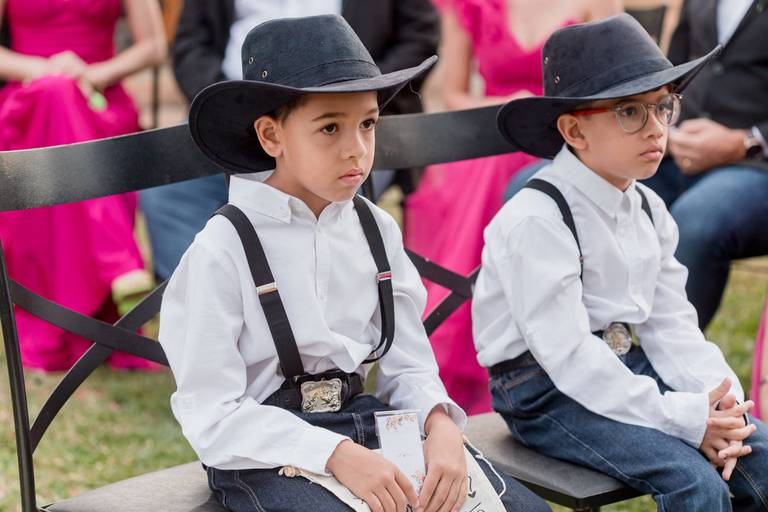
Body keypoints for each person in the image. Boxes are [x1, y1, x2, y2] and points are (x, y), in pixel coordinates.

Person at [158, 15, 550, 512]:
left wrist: (439, 424)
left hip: (366, 425)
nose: (357, 150)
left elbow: (408, 363)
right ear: (271, 136)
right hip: (264, 451)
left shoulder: (375, 228)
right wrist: (335, 454)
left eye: (367, 123)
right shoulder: (223, 249)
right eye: (330, 128)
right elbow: (212, 414)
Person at [473, 14, 768, 510]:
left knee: (757, 453)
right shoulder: (536, 220)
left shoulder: (649, 207)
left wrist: (720, 402)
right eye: (630, 112)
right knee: (693, 481)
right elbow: (570, 360)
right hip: (542, 389)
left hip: (623, 365)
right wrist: (684, 419)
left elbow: (671, 324)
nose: (656, 129)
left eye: (663, 107)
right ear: (575, 130)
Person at [404, 0, 621, 415]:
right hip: (491, 138)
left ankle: (553, 355)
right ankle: (468, 362)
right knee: (489, 174)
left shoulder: (595, 3)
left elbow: (610, 87)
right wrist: (506, 107)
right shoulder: (469, 6)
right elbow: (453, 94)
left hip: (565, 143)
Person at [140, 0, 440, 282]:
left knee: (331, 195)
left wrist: (359, 92)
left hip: (352, 106)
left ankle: (318, 295)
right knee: (169, 192)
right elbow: (190, 44)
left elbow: (420, 33)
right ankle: (208, 289)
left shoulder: (376, 213)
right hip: (238, 109)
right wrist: (232, 110)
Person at [0, 0, 166, 371]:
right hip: (29, 101)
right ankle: (118, 263)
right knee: (54, 93)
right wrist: (45, 72)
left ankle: (109, 282)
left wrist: (94, 74)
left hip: (99, 98)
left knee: (61, 95)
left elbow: (154, 45)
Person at [643, 0, 768, 330]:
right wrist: (663, 129)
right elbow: (672, 71)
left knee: (696, 221)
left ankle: (670, 354)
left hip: (757, 166)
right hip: (676, 152)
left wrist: (746, 141)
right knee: (566, 185)